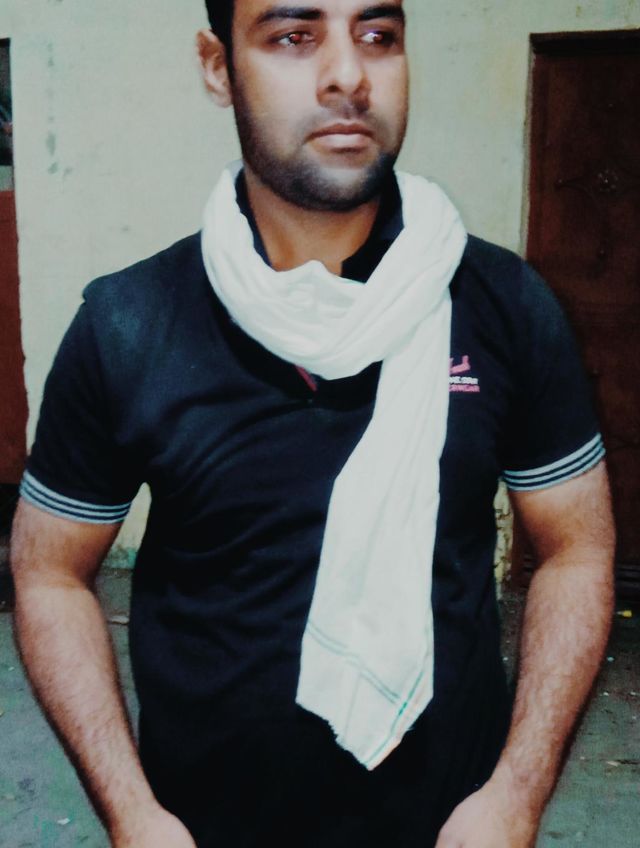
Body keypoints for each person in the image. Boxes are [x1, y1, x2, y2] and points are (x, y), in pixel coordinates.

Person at [11, 1, 615, 846]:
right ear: (218, 67)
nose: (348, 75)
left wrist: (517, 792)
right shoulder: (130, 324)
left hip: (453, 824)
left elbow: (578, 551)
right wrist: (134, 813)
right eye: (294, 37)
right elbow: (49, 575)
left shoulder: (504, 306)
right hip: (202, 825)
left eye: (378, 36)